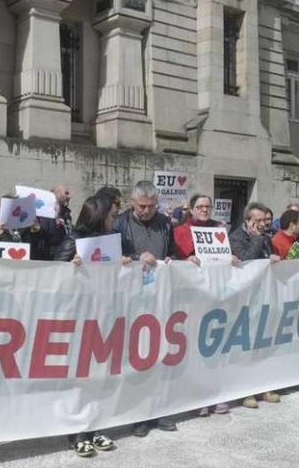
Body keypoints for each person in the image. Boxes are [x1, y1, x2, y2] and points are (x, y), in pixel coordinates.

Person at [52, 195, 128, 456]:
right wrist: (69, 267)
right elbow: (52, 275)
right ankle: (76, 432)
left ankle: (95, 426)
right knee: (79, 377)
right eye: (112, 216)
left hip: (103, 316)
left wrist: (125, 263)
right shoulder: (73, 241)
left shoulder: (111, 240)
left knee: (100, 375)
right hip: (78, 320)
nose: (115, 220)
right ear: (99, 216)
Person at [113, 181, 178, 436]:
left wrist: (172, 258)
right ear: (132, 202)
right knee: (136, 357)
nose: (146, 211)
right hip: (131, 298)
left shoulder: (164, 222)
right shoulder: (119, 223)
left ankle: (159, 411)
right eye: (142, 206)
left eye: (151, 206)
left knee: (160, 353)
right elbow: (113, 255)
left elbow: (170, 250)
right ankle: (139, 415)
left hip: (158, 296)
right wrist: (135, 259)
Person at [171, 194, 238, 415]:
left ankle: (215, 394)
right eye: (199, 206)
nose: (204, 209)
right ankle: (197, 397)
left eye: (208, 206)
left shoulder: (218, 229)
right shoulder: (181, 230)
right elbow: (178, 255)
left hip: (216, 293)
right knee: (194, 347)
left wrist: (232, 258)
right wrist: (187, 260)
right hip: (193, 295)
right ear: (191, 209)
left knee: (214, 345)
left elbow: (222, 255)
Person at [227, 202, 281, 407]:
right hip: (244, 300)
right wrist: (258, 240)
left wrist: (272, 258)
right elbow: (247, 260)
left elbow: (264, 260)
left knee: (263, 343)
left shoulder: (266, 238)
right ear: (247, 221)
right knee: (245, 346)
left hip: (263, 297)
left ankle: (264, 385)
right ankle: (245, 390)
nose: (261, 225)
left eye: (263, 221)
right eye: (257, 221)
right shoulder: (236, 238)